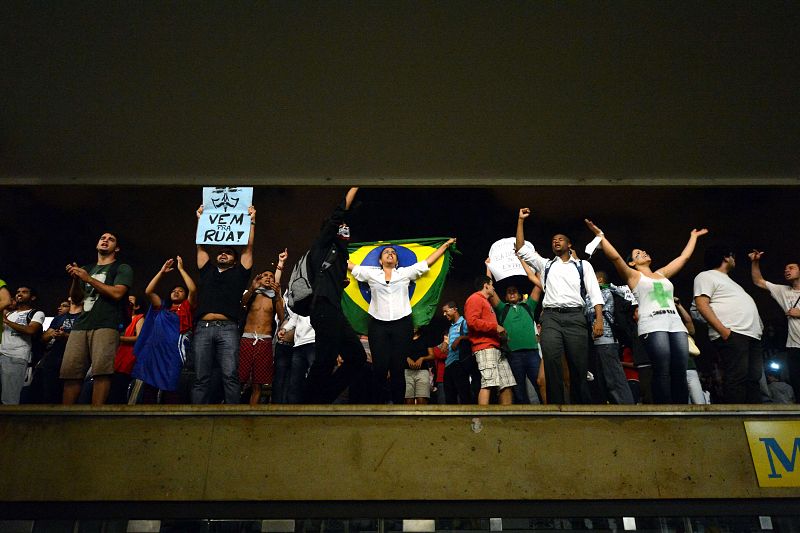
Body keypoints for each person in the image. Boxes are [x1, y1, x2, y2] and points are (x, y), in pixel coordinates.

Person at [584, 219, 707, 404]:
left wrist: (693, 237)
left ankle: (683, 410)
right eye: (638, 253)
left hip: (675, 324)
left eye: (643, 251)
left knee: (680, 370)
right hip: (653, 325)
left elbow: (684, 258)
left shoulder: (662, 274)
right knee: (662, 369)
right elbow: (616, 258)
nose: (643, 253)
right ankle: (665, 410)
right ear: (632, 263)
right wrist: (600, 236)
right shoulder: (634, 276)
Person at [348, 238, 456, 404]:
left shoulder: (405, 273)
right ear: (380, 260)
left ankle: (398, 408)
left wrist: (445, 246)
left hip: (402, 324)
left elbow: (428, 262)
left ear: (397, 261)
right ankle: (377, 407)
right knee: (380, 368)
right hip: (378, 325)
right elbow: (349, 264)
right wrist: (334, 248)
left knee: (398, 369)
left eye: (393, 253)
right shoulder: (370, 273)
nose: (390, 254)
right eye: (386, 252)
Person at [515, 208, 604, 404]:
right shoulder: (545, 265)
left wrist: (599, 319)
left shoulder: (582, 266)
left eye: (561, 239)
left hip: (575, 318)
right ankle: (557, 410)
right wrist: (520, 220)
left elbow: (594, 293)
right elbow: (520, 248)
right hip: (551, 318)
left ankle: (580, 409)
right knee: (552, 364)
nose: (556, 241)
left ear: (569, 244)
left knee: (578, 366)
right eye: (554, 239)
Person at [304, 187, 367, 403]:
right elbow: (337, 216)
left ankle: (321, 399)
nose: (345, 230)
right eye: (342, 228)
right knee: (325, 360)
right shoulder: (322, 245)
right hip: (323, 308)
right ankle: (308, 404)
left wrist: (341, 282)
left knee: (357, 357)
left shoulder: (339, 255)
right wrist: (354, 187)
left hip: (333, 310)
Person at [61, 232, 134, 406]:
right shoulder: (87, 268)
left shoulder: (122, 268)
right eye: (102, 238)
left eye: (111, 239)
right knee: (71, 373)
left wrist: (88, 279)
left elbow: (117, 293)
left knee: (101, 373)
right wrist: (75, 280)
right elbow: (77, 299)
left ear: (116, 248)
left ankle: (96, 414)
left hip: (106, 324)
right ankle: (64, 418)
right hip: (80, 325)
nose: (105, 240)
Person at [192, 205, 255, 405]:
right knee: (200, 377)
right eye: (220, 252)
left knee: (230, 375)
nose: (223, 254)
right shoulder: (207, 270)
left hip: (228, 329)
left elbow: (248, 248)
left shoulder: (239, 274)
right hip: (203, 328)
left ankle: (232, 418)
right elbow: (200, 246)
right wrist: (201, 220)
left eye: (228, 253)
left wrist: (252, 221)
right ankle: (196, 420)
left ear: (236, 261)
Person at [694, 245, 764, 403]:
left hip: (751, 335)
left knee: (753, 380)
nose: (734, 259)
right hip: (734, 334)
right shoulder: (706, 276)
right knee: (737, 379)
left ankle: (757, 422)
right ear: (726, 257)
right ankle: (738, 421)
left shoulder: (731, 282)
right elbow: (701, 304)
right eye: (733, 255)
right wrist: (724, 331)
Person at [135, 256, 197, 404]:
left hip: (174, 351)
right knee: (150, 384)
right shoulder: (162, 307)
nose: (176, 292)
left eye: (180, 291)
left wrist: (181, 269)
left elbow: (193, 289)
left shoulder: (187, 308)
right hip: (156, 351)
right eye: (174, 290)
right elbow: (149, 291)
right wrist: (161, 272)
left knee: (172, 382)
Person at [749, 251, 800, 398]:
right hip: (794, 345)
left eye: (791, 268)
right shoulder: (783, 291)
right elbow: (758, 281)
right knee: (796, 381)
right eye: (785, 269)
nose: (786, 270)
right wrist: (755, 262)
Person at [492, 259, 543, 404]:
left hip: (533, 353)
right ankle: (524, 419)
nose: (512, 293)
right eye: (509, 292)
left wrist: (538, 265)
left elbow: (538, 287)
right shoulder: (503, 309)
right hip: (514, 355)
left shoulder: (528, 306)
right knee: (519, 390)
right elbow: (490, 292)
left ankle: (548, 413)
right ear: (506, 297)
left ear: (520, 295)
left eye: (514, 291)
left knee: (540, 384)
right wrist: (488, 268)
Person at [583, 271, 636, 405]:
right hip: (600, 340)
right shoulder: (603, 292)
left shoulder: (603, 292)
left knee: (614, 377)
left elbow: (589, 309)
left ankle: (627, 407)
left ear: (599, 280)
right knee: (606, 377)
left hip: (605, 338)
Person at [464, 276, 515, 405]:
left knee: (507, 384)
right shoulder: (474, 299)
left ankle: (506, 419)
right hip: (484, 347)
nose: (493, 288)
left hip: (495, 347)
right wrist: (495, 327)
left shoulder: (486, 302)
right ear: (486, 285)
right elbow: (472, 322)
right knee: (488, 383)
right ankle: (482, 420)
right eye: (492, 285)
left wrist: (500, 335)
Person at [240, 267, 285, 405]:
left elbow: (282, 317)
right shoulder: (252, 293)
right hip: (247, 338)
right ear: (259, 278)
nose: (268, 277)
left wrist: (277, 296)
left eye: (271, 276)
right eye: (264, 275)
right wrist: (252, 288)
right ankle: (233, 411)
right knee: (239, 378)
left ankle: (251, 415)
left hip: (264, 340)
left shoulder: (275, 298)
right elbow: (242, 303)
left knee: (258, 383)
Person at [1, 286, 45, 404]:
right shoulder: (9, 313)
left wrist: (6, 321)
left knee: (10, 396)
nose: (19, 294)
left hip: (17, 356)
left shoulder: (36, 313)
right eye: (18, 292)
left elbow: (31, 330)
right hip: (2, 353)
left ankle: (11, 421)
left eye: (24, 292)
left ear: (33, 297)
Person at [39, 298, 83, 403]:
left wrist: (65, 335)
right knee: (50, 390)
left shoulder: (84, 317)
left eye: (64, 305)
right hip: (55, 356)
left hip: (74, 356)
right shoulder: (59, 318)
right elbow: (44, 338)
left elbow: (82, 338)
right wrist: (52, 334)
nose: (60, 308)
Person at [442, 302, 473, 404]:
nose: (444, 314)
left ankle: (469, 418)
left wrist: (460, 338)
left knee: (464, 394)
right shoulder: (450, 328)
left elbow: (474, 337)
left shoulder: (464, 322)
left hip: (459, 363)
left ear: (454, 309)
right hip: (448, 364)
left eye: (446, 311)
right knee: (450, 397)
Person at [404, 328, 435, 404]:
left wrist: (422, 358)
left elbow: (432, 355)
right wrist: (407, 358)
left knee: (422, 399)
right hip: (407, 372)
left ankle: (421, 416)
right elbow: (397, 353)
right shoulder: (403, 338)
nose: (414, 327)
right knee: (408, 399)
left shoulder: (425, 338)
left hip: (422, 371)